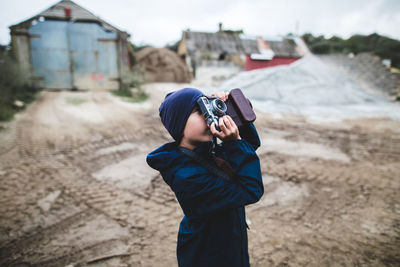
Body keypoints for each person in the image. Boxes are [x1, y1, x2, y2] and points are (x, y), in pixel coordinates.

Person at [146, 87, 264, 267]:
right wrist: (233, 143)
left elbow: (249, 145)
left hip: (230, 248)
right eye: (198, 111)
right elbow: (250, 189)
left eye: (207, 108)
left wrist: (233, 111)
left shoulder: (208, 151)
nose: (207, 115)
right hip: (207, 256)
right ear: (180, 124)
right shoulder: (186, 177)